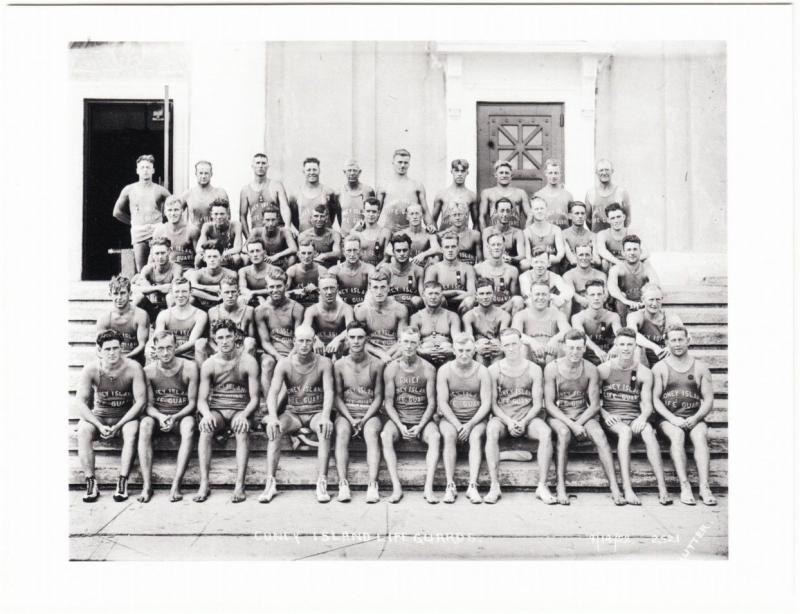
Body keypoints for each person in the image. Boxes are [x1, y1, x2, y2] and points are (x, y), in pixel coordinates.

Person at [543, 329, 625, 505]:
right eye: (571, 347)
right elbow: (549, 405)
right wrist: (573, 426)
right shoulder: (552, 368)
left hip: (582, 413)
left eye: (579, 348)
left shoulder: (590, 369)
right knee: (564, 434)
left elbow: (595, 404)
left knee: (600, 435)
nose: (574, 352)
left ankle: (614, 487)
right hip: (560, 415)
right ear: (564, 347)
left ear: (585, 348)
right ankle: (560, 486)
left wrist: (579, 423)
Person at [260, 326, 335, 503]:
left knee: (325, 430)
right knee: (275, 430)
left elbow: (329, 391)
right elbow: (273, 392)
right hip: (293, 413)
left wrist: (325, 416)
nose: (304, 344)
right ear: (294, 341)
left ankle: (322, 481)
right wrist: (272, 416)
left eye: (308, 340)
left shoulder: (324, 362)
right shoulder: (285, 364)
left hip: (315, 412)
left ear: (314, 341)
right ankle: (270, 482)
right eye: (300, 340)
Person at [598, 328, 671, 505]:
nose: (625, 348)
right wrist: (605, 414)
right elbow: (593, 400)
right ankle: (628, 489)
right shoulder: (603, 369)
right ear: (615, 346)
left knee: (649, 433)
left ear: (635, 346)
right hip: (613, 418)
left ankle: (663, 488)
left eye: (629, 344)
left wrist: (643, 418)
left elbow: (647, 404)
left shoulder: (644, 372)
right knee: (625, 432)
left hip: (634, 416)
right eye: (622, 344)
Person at [485, 328, 556, 504]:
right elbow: (493, 404)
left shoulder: (533, 369)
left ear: (521, 344)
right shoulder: (494, 370)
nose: (511, 348)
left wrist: (523, 421)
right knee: (492, 429)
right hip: (504, 418)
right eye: (507, 345)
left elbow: (538, 403)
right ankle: (494, 486)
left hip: (528, 418)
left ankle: (542, 486)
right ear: (501, 346)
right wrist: (509, 421)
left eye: (514, 344)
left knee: (546, 433)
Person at [75, 330, 146, 503]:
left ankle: (122, 481)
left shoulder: (133, 367)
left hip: (124, 416)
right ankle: (91, 481)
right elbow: (80, 403)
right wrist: (99, 426)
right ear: (99, 350)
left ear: (121, 348)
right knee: (83, 430)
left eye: (116, 348)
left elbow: (140, 402)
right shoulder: (91, 369)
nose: (112, 352)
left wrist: (120, 425)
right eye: (107, 349)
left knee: (132, 430)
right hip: (100, 415)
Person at [194, 320, 260, 503]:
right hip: (218, 410)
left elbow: (255, 398)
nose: (224, 341)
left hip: (241, 408)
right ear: (214, 339)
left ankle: (239, 484)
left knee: (242, 429)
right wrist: (207, 414)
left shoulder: (248, 361)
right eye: (220, 337)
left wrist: (245, 415)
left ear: (236, 337)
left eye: (228, 336)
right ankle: (204, 483)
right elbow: (201, 399)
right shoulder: (209, 363)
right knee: (205, 428)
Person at [653, 325, 717, 506]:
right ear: (666, 343)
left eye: (681, 339)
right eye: (673, 340)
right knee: (677, 434)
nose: (677, 344)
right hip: (669, 419)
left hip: (694, 417)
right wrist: (673, 419)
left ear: (688, 340)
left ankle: (705, 487)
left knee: (699, 436)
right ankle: (685, 485)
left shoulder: (701, 367)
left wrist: (695, 418)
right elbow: (655, 400)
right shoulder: (660, 368)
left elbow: (709, 400)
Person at [381, 325, 440, 503]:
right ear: (399, 343)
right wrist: (400, 426)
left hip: (421, 417)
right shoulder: (391, 368)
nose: (408, 346)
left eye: (412, 342)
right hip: (399, 417)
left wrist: (420, 426)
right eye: (405, 342)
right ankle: (396, 487)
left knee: (436, 437)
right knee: (385, 435)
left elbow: (431, 403)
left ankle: (428, 488)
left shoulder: (428, 368)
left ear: (419, 344)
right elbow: (389, 403)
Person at [139, 331, 199, 503]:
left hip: (181, 416)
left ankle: (176, 484)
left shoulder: (189, 367)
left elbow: (192, 403)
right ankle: (147, 485)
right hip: (160, 417)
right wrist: (159, 417)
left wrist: (174, 417)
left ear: (175, 347)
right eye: (161, 349)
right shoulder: (148, 371)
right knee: (145, 424)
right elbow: (148, 405)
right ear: (155, 350)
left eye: (169, 348)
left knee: (189, 425)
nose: (165, 353)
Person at [437, 333, 492, 503]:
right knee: (448, 435)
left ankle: (472, 485)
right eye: (460, 350)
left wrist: (469, 425)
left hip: (475, 419)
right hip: (451, 418)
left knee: (475, 437)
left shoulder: (482, 370)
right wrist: (458, 425)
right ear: (454, 350)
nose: (464, 354)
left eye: (468, 350)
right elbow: (443, 403)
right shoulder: (445, 370)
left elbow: (486, 403)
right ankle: (450, 485)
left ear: (474, 350)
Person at [333, 321, 385, 503]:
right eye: (352, 337)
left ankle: (372, 484)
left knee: (371, 433)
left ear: (367, 339)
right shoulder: (339, 365)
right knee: (341, 432)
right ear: (346, 340)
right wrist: (350, 418)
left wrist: (363, 419)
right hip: (347, 411)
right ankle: (343, 483)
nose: (356, 341)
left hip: (369, 412)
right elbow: (337, 397)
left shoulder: (377, 364)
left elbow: (379, 397)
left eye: (360, 337)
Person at [112, 154, 171, 271]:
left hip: (157, 230)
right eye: (142, 167)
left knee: (160, 265)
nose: (145, 170)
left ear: (153, 170)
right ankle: (145, 288)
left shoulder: (160, 190)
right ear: (137, 170)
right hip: (139, 231)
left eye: (148, 167)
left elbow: (176, 206)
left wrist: (164, 221)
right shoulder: (129, 189)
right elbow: (117, 212)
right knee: (142, 269)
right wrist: (132, 222)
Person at [254, 269, 305, 401]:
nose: (275, 290)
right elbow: (265, 341)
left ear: (286, 286)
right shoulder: (261, 310)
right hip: (272, 351)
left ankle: (275, 409)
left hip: (293, 350)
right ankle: (268, 402)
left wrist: (288, 357)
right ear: (266, 287)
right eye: (271, 286)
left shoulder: (297, 308)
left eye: (278, 286)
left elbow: (299, 339)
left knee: (290, 365)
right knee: (267, 363)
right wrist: (277, 357)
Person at [195, 275, 256, 364]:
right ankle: (204, 376)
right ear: (220, 293)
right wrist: (218, 351)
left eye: (233, 292)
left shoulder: (248, 311)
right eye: (226, 292)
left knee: (250, 342)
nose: (230, 296)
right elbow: (212, 339)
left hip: (239, 351)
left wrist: (237, 352)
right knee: (200, 343)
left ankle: (244, 373)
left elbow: (251, 338)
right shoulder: (213, 312)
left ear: (238, 292)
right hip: (219, 350)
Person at [511, 280, 570, 367]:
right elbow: (515, 334)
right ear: (531, 296)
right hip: (530, 355)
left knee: (561, 346)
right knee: (523, 347)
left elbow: (567, 331)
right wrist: (532, 342)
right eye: (537, 294)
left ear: (549, 296)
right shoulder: (521, 315)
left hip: (550, 353)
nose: (541, 297)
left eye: (544, 294)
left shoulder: (557, 314)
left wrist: (554, 339)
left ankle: (552, 377)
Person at [353, 269, 409, 361]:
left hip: (393, 352)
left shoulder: (400, 309)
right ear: (370, 288)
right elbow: (360, 340)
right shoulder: (362, 311)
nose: (379, 292)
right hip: (372, 352)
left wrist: (387, 356)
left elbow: (402, 340)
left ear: (388, 287)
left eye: (383, 287)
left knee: (404, 348)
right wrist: (380, 354)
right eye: (375, 287)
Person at [96, 275, 150, 365]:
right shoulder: (104, 318)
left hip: (134, 360)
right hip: (111, 360)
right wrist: (111, 358)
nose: (119, 298)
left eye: (123, 293)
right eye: (116, 294)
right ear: (110, 295)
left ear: (130, 293)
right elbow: (98, 347)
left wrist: (124, 358)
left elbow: (142, 345)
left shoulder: (140, 315)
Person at [627, 283, 684, 367]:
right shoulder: (635, 316)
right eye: (651, 299)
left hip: (665, 358)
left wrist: (671, 347)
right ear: (643, 300)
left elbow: (686, 336)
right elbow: (632, 334)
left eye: (658, 299)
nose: (654, 303)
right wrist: (655, 347)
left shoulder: (670, 316)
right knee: (637, 350)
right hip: (644, 361)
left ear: (662, 299)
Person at [377, 148, 435, 232]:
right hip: (389, 232)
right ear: (393, 163)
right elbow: (376, 212)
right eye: (400, 162)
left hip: (410, 234)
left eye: (405, 162)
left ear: (409, 164)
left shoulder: (417, 185)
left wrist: (430, 225)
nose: (402, 165)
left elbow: (425, 212)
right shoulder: (384, 186)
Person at [607, 234, 660, 324]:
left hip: (642, 304)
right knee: (621, 297)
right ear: (623, 253)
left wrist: (644, 300)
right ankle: (624, 331)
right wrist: (626, 301)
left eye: (635, 249)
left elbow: (655, 284)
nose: (632, 253)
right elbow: (612, 287)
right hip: (624, 305)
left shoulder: (646, 267)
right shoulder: (617, 268)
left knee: (652, 295)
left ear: (640, 251)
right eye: (629, 250)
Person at [155, 277, 208, 361]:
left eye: (184, 291)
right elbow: (158, 338)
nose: (180, 295)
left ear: (190, 293)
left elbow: (192, 342)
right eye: (177, 292)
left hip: (191, 358)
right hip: (167, 357)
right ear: (171, 293)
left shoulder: (200, 314)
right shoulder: (163, 315)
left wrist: (171, 353)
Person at [301, 274, 354, 359]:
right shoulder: (312, 310)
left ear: (337, 288)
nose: (329, 292)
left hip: (339, 350)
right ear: (319, 290)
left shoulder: (346, 309)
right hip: (319, 350)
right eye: (325, 288)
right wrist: (315, 339)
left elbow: (351, 328)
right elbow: (305, 328)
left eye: (332, 288)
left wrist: (338, 339)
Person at [239, 152, 292, 236]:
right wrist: (248, 237)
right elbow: (242, 216)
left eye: (263, 163)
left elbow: (284, 207)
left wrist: (287, 227)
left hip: (277, 233)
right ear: (252, 166)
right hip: (258, 234)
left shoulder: (276, 185)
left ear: (267, 166)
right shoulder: (245, 190)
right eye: (257, 163)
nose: (260, 166)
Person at [571, 279, 622, 366]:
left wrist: (615, 347)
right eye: (592, 295)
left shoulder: (613, 316)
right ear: (586, 296)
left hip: (607, 355)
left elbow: (620, 335)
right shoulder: (578, 317)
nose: (596, 298)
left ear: (604, 296)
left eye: (599, 294)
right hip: (586, 357)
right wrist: (597, 350)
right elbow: (582, 336)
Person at [424, 231, 477, 314]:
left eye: (453, 247)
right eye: (447, 247)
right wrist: (455, 292)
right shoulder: (433, 269)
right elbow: (428, 293)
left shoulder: (467, 268)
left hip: (461, 306)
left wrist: (448, 298)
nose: (450, 250)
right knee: (439, 299)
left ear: (458, 248)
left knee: (469, 300)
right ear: (441, 249)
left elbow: (472, 293)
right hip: (441, 305)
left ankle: (464, 325)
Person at [410, 281, 461, 367]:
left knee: (447, 346)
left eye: (437, 293)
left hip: (447, 356)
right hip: (424, 356)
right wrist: (422, 351)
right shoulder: (416, 317)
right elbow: (413, 340)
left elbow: (457, 339)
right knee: (425, 346)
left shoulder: (451, 316)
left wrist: (450, 350)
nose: (433, 297)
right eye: (430, 293)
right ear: (423, 295)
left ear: (442, 295)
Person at [131, 237, 182, 321]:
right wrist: (159, 288)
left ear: (169, 252)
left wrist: (149, 288)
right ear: (152, 254)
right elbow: (135, 288)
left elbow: (176, 288)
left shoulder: (176, 268)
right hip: (152, 308)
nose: (160, 257)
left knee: (170, 297)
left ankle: (171, 325)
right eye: (157, 253)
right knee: (138, 297)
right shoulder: (148, 269)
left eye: (163, 253)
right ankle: (136, 326)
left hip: (169, 310)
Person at [462, 278, 511, 366]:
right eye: (481, 294)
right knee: (480, 350)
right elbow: (469, 339)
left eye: (488, 293)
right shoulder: (469, 316)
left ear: (494, 294)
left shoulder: (503, 315)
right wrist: (477, 347)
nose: (485, 297)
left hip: (497, 349)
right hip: (479, 351)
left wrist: (497, 346)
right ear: (476, 296)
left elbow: (504, 338)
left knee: (497, 351)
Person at [475, 231, 522, 314]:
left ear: (504, 248)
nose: (496, 247)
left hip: (504, 309)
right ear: (488, 247)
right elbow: (475, 296)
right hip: (484, 310)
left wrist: (500, 311)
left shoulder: (512, 270)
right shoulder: (478, 268)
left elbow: (514, 296)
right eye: (493, 245)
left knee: (518, 300)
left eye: (499, 244)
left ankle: (513, 326)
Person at [289, 157, 340, 233]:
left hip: (325, 238)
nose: (312, 172)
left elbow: (332, 215)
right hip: (305, 238)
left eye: (314, 169)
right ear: (304, 171)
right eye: (308, 170)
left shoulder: (329, 192)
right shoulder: (296, 194)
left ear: (319, 170)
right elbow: (294, 218)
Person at [519, 246, 574, 318]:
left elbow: (569, 292)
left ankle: (564, 326)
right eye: (536, 262)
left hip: (549, 305)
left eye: (542, 262)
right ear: (531, 263)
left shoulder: (554, 277)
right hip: (531, 309)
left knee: (567, 301)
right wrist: (550, 298)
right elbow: (528, 298)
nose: (539, 265)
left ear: (548, 263)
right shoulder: (524, 277)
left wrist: (558, 298)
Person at [378, 232, 425, 313]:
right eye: (398, 251)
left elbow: (423, 295)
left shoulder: (418, 270)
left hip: (413, 309)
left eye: (405, 250)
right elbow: (379, 295)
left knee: (417, 300)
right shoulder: (386, 270)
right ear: (393, 252)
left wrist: (419, 300)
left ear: (410, 251)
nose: (402, 254)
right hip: (391, 311)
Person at [152, 195, 200, 273]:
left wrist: (198, 274)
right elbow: (152, 256)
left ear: (182, 211)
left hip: (186, 271)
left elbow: (199, 256)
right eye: (170, 210)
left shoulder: (192, 230)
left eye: (176, 210)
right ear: (165, 212)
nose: (173, 213)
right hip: (167, 271)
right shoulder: (159, 231)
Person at [478, 160, 530, 231]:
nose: (504, 175)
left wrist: (525, 233)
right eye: (501, 173)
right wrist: (485, 236)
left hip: (514, 235)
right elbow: (481, 216)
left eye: (507, 173)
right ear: (496, 175)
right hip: (494, 236)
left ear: (511, 176)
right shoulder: (487, 193)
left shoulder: (520, 193)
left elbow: (530, 215)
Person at [184, 241, 236, 311]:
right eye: (209, 257)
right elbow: (192, 290)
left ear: (221, 257)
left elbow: (235, 292)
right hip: (201, 307)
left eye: (215, 256)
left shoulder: (230, 274)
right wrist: (214, 296)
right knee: (191, 299)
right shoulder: (198, 273)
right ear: (204, 258)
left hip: (223, 307)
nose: (212, 260)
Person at [595, 203, 648, 271]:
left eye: (618, 217)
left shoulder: (632, 233)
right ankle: (608, 281)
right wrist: (619, 263)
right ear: (608, 220)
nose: (616, 221)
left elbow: (646, 252)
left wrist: (630, 262)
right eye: (613, 218)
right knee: (604, 262)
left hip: (630, 263)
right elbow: (602, 251)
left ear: (624, 217)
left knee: (646, 263)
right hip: (613, 264)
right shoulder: (603, 234)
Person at [432, 158, 479, 231]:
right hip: (445, 239)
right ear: (451, 171)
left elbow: (476, 223)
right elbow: (433, 220)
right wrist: (437, 237)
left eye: (463, 171)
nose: (460, 174)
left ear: (467, 172)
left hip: (463, 238)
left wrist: (471, 238)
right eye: (456, 171)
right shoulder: (441, 194)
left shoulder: (471, 196)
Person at [328, 235, 375, 307]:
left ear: (360, 251)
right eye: (349, 250)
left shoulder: (369, 269)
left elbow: (371, 292)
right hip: (341, 308)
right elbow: (333, 295)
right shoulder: (334, 270)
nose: (352, 254)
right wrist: (345, 309)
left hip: (362, 307)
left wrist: (363, 306)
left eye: (355, 250)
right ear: (344, 252)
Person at [584, 159, 631, 231]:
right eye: (601, 170)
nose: (604, 173)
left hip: (616, 239)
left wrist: (620, 233)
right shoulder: (590, 193)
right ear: (596, 172)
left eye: (607, 170)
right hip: (597, 238)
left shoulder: (621, 192)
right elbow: (588, 219)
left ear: (612, 171)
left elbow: (627, 218)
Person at [197, 198, 244, 270]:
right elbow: (199, 248)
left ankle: (235, 277)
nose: (219, 217)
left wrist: (224, 254)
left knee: (237, 258)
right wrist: (209, 254)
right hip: (213, 255)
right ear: (211, 215)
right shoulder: (207, 226)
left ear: (227, 214)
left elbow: (238, 248)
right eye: (216, 214)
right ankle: (200, 276)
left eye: (222, 214)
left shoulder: (236, 225)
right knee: (198, 257)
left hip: (228, 255)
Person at [181, 160, 229, 229]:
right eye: (200, 173)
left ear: (211, 174)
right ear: (196, 173)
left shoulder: (220, 193)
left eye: (206, 173)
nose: (203, 176)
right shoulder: (188, 194)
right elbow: (175, 212)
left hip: (214, 236)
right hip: (195, 236)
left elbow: (228, 218)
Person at [481, 197, 526, 269]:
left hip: (510, 265)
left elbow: (522, 255)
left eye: (508, 211)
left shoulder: (517, 232)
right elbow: (486, 255)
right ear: (496, 212)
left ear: (511, 212)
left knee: (525, 263)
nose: (505, 214)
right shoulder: (488, 231)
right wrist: (500, 260)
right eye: (502, 211)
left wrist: (510, 259)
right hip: (493, 264)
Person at [563, 243, 607, 315]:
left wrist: (593, 302)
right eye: (581, 255)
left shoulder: (600, 275)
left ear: (592, 256)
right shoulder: (568, 275)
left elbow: (605, 295)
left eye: (587, 254)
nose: (584, 258)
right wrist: (588, 301)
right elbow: (573, 296)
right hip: (578, 311)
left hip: (597, 308)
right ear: (575, 256)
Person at [523, 196, 565, 271]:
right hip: (535, 266)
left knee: (553, 258)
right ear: (532, 211)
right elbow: (528, 256)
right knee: (524, 264)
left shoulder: (556, 229)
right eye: (536, 209)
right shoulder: (527, 232)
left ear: (546, 209)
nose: (539, 211)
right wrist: (538, 262)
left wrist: (555, 259)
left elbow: (561, 252)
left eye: (542, 208)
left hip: (552, 265)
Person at [237, 236, 281, 308]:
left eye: (258, 250)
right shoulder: (243, 271)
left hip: (270, 301)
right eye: (252, 251)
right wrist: (252, 295)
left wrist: (255, 293)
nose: (255, 255)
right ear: (248, 254)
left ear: (264, 252)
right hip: (251, 300)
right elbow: (242, 288)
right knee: (240, 299)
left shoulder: (274, 270)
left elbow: (276, 290)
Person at [286, 238, 329, 308]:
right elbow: (283, 293)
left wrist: (317, 289)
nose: (306, 256)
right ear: (298, 254)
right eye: (303, 253)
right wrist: (296, 291)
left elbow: (329, 293)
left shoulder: (322, 270)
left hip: (317, 306)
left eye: (309, 253)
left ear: (315, 254)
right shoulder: (292, 270)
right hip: (297, 305)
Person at [337, 159, 376, 236]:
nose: (352, 173)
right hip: (345, 237)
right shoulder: (339, 192)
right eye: (349, 170)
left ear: (359, 172)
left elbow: (373, 212)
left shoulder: (368, 190)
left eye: (354, 170)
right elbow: (338, 215)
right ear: (344, 172)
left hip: (364, 235)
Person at [393, 202, 441, 267]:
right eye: (412, 214)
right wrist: (406, 258)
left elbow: (437, 248)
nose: (415, 217)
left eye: (417, 213)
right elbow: (389, 250)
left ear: (421, 216)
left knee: (434, 260)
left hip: (423, 267)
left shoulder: (429, 233)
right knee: (393, 259)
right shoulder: (401, 233)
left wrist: (422, 255)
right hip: (405, 268)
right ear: (407, 217)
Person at [533, 159, 573, 230]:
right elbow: (534, 220)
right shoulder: (538, 195)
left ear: (560, 173)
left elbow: (572, 220)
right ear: (546, 173)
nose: (553, 176)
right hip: (545, 236)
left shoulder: (568, 196)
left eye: (556, 173)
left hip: (563, 235)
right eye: (550, 173)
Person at [354, 196, 392, 266]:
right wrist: (354, 229)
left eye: (374, 212)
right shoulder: (357, 232)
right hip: (361, 269)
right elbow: (353, 256)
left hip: (379, 269)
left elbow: (386, 258)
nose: (371, 214)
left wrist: (376, 269)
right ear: (363, 212)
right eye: (368, 211)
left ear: (378, 213)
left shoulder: (385, 232)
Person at [561, 201, 600, 269]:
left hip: (588, 271)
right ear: (569, 216)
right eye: (577, 213)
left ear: (585, 216)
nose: (580, 216)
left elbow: (597, 260)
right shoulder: (563, 234)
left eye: (582, 213)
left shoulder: (592, 236)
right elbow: (572, 260)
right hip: (569, 271)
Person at [447, 201, 482, 266]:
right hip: (451, 271)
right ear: (450, 218)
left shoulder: (475, 235)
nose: (457, 218)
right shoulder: (443, 235)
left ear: (466, 215)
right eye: (454, 215)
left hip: (470, 270)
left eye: (460, 214)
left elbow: (480, 262)